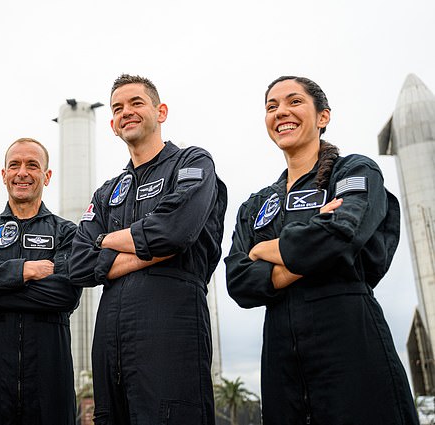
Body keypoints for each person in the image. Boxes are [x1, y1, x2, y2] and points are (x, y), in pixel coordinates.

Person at [225, 76, 418, 425]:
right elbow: (238, 281)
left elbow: (343, 234)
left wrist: (267, 249)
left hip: (350, 339)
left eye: (294, 101)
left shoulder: (353, 171)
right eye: (272, 106)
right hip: (281, 357)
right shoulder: (257, 204)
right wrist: (314, 240)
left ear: (322, 117)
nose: (281, 111)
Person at [69, 74, 228, 424]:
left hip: (171, 330)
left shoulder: (192, 163)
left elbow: (175, 231)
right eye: (118, 108)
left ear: (161, 111)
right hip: (110, 341)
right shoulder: (107, 192)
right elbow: (78, 264)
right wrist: (147, 246)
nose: (126, 112)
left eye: (136, 103)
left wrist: (105, 240)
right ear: (112, 125)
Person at [0, 138, 81, 425]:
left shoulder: (67, 233)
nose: (22, 172)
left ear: (46, 176)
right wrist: (24, 271)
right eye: (14, 165)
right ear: (4, 174)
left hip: (49, 377)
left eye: (32, 165)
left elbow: (65, 294)